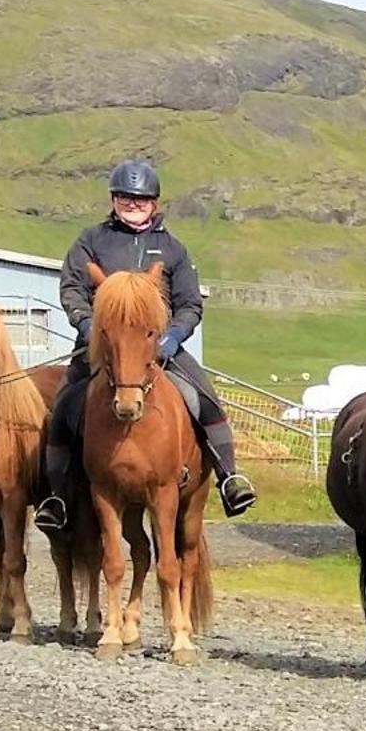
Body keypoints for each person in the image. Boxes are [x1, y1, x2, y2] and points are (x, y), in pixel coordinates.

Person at [34, 157, 257, 534]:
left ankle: (229, 477)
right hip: (101, 346)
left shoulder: (172, 250)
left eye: (140, 199)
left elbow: (189, 303)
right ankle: (56, 497)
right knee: (66, 407)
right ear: (113, 199)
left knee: (204, 397)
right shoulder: (90, 242)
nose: (132, 204)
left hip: (159, 348)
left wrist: (173, 337)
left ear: (154, 203)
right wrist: (87, 324)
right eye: (124, 197)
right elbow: (72, 288)